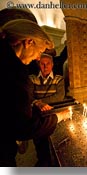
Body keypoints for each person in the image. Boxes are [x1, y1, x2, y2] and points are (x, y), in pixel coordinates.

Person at [0, 19, 69, 167]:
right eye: (39, 52)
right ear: (28, 42)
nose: (38, 58)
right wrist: (58, 116)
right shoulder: (14, 71)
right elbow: (23, 126)